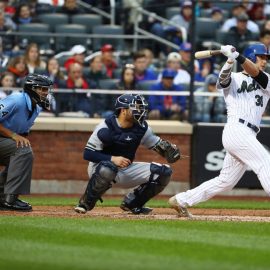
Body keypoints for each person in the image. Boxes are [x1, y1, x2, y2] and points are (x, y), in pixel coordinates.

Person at [168, 43, 270, 218]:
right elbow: (222, 82)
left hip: (249, 132)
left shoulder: (266, 78)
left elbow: (255, 73)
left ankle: (182, 199)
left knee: (226, 181)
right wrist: (230, 61)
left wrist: (236, 56)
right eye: (261, 57)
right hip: (237, 130)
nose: (265, 61)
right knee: (265, 163)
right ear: (252, 56)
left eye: (266, 58)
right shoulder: (235, 77)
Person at [74, 93, 180, 214]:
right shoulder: (105, 127)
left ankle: (133, 204)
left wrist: (170, 151)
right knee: (108, 168)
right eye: (136, 107)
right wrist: (112, 158)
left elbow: (158, 146)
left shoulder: (142, 128)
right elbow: (87, 154)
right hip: (99, 169)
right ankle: (85, 203)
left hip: (125, 169)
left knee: (164, 172)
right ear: (123, 110)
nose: (140, 111)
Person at [0, 73, 53, 211]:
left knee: (21, 155)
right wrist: (13, 135)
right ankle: (9, 199)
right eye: (41, 89)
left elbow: (23, 132)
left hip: (3, 140)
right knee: (23, 151)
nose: (45, 93)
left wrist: (16, 137)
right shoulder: (17, 99)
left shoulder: (37, 107)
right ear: (31, 89)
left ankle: (2, 197)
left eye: (46, 89)